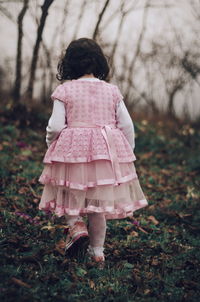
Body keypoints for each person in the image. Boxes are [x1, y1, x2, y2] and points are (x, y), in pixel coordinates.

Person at [39, 38, 148, 266]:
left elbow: (56, 125)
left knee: (71, 194)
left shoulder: (65, 90)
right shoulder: (112, 91)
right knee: (97, 206)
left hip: (73, 152)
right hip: (105, 153)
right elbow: (126, 125)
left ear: (68, 64)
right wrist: (126, 152)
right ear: (99, 62)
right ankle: (97, 252)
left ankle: (76, 225)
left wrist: (51, 143)